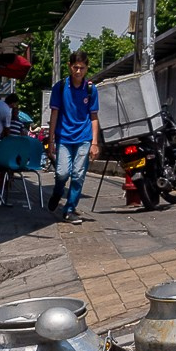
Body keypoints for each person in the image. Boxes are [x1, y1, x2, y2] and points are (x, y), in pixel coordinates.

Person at [47, 52, 101, 224]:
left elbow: (94, 117)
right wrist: (50, 140)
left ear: (87, 68)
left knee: (78, 175)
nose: (78, 71)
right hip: (63, 137)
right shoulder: (60, 87)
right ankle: (57, 192)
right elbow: (54, 114)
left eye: (82, 68)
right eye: (75, 67)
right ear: (69, 66)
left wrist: (94, 142)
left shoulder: (91, 90)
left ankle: (69, 209)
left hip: (84, 137)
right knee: (62, 173)